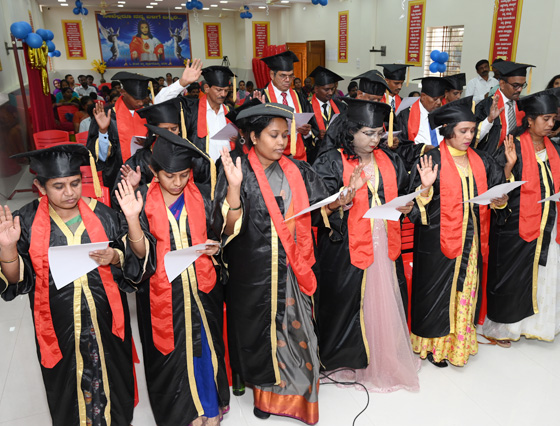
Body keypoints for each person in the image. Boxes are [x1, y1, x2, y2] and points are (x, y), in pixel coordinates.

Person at [0, 144, 152, 426]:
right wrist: (8, 250)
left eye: (74, 183)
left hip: (104, 323)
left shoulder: (103, 214)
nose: (69, 193)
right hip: (59, 327)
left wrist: (116, 255)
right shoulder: (27, 222)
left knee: (111, 384)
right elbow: (15, 282)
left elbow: (137, 261)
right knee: (69, 389)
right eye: (58, 186)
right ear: (40, 187)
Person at [214, 103, 329, 424]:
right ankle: (266, 398)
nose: (282, 142)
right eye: (274, 135)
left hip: (294, 268)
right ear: (252, 136)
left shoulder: (297, 170)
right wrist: (234, 189)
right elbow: (225, 227)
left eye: (284, 135)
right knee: (263, 336)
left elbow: (318, 212)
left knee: (300, 334)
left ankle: (301, 399)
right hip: (255, 273)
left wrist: (341, 202)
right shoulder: (238, 172)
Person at [313, 98, 419, 391]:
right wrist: (339, 202)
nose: (376, 139)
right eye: (368, 133)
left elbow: (404, 195)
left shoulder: (391, 160)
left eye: (379, 133)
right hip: (345, 247)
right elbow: (313, 209)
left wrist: (411, 203)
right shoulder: (331, 161)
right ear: (350, 132)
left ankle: (383, 356)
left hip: (384, 241)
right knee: (346, 302)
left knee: (384, 299)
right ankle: (345, 359)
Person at [134, 125, 228, 426]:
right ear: (153, 171)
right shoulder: (139, 204)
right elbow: (136, 258)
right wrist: (130, 219)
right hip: (162, 295)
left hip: (201, 290)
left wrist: (215, 247)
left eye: (184, 175)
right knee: (172, 356)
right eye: (169, 176)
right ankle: (184, 414)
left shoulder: (199, 196)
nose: (177, 182)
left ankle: (209, 408)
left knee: (203, 347)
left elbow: (219, 231)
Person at [407, 96, 507, 367]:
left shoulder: (482, 160)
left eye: (472, 130)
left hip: (471, 241)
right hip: (436, 242)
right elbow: (413, 206)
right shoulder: (431, 159)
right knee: (436, 293)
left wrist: (500, 200)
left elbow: (497, 192)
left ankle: (458, 343)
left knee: (466, 289)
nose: (469, 136)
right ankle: (433, 346)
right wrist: (425, 188)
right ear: (448, 130)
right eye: (463, 131)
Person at [483, 88, 560, 345]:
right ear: (530, 120)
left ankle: (537, 325)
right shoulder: (511, 146)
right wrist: (508, 165)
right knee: (513, 278)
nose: (551, 124)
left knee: (544, 275)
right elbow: (494, 187)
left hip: (548, 225)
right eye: (546, 119)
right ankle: (505, 328)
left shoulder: (556, 150)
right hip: (515, 227)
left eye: (554, 119)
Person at [87, 71, 154, 189]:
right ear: (123, 92)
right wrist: (103, 131)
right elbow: (101, 157)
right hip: (117, 176)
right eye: (136, 98)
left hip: (147, 174)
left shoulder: (149, 114)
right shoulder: (106, 115)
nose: (140, 103)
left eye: (143, 99)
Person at [259, 51, 312, 161]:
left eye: (290, 76)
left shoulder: (300, 97)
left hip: (298, 155)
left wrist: (307, 131)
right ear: (272, 75)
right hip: (271, 158)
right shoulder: (261, 97)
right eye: (283, 76)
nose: (288, 80)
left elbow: (312, 125)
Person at [475, 61, 535, 153]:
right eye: (515, 85)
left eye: (523, 85)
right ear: (502, 84)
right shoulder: (485, 106)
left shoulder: (523, 106)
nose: (520, 90)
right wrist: (489, 120)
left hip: (516, 157)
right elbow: (472, 139)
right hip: (490, 159)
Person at [396, 77, 451, 170]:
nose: (439, 102)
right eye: (435, 99)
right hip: (417, 165)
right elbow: (401, 147)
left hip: (444, 163)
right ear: (423, 96)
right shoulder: (406, 115)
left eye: (441, 98)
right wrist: (423, 149)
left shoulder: (445, 113)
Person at [306, 66, 346, 164]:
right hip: (314, 157)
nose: (331, 92)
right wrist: (316, 136)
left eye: (332, 89)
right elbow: (302, 132)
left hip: (336, 156)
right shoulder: (306, 107)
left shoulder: (341, 107)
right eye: (326, 89)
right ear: (316, 89)